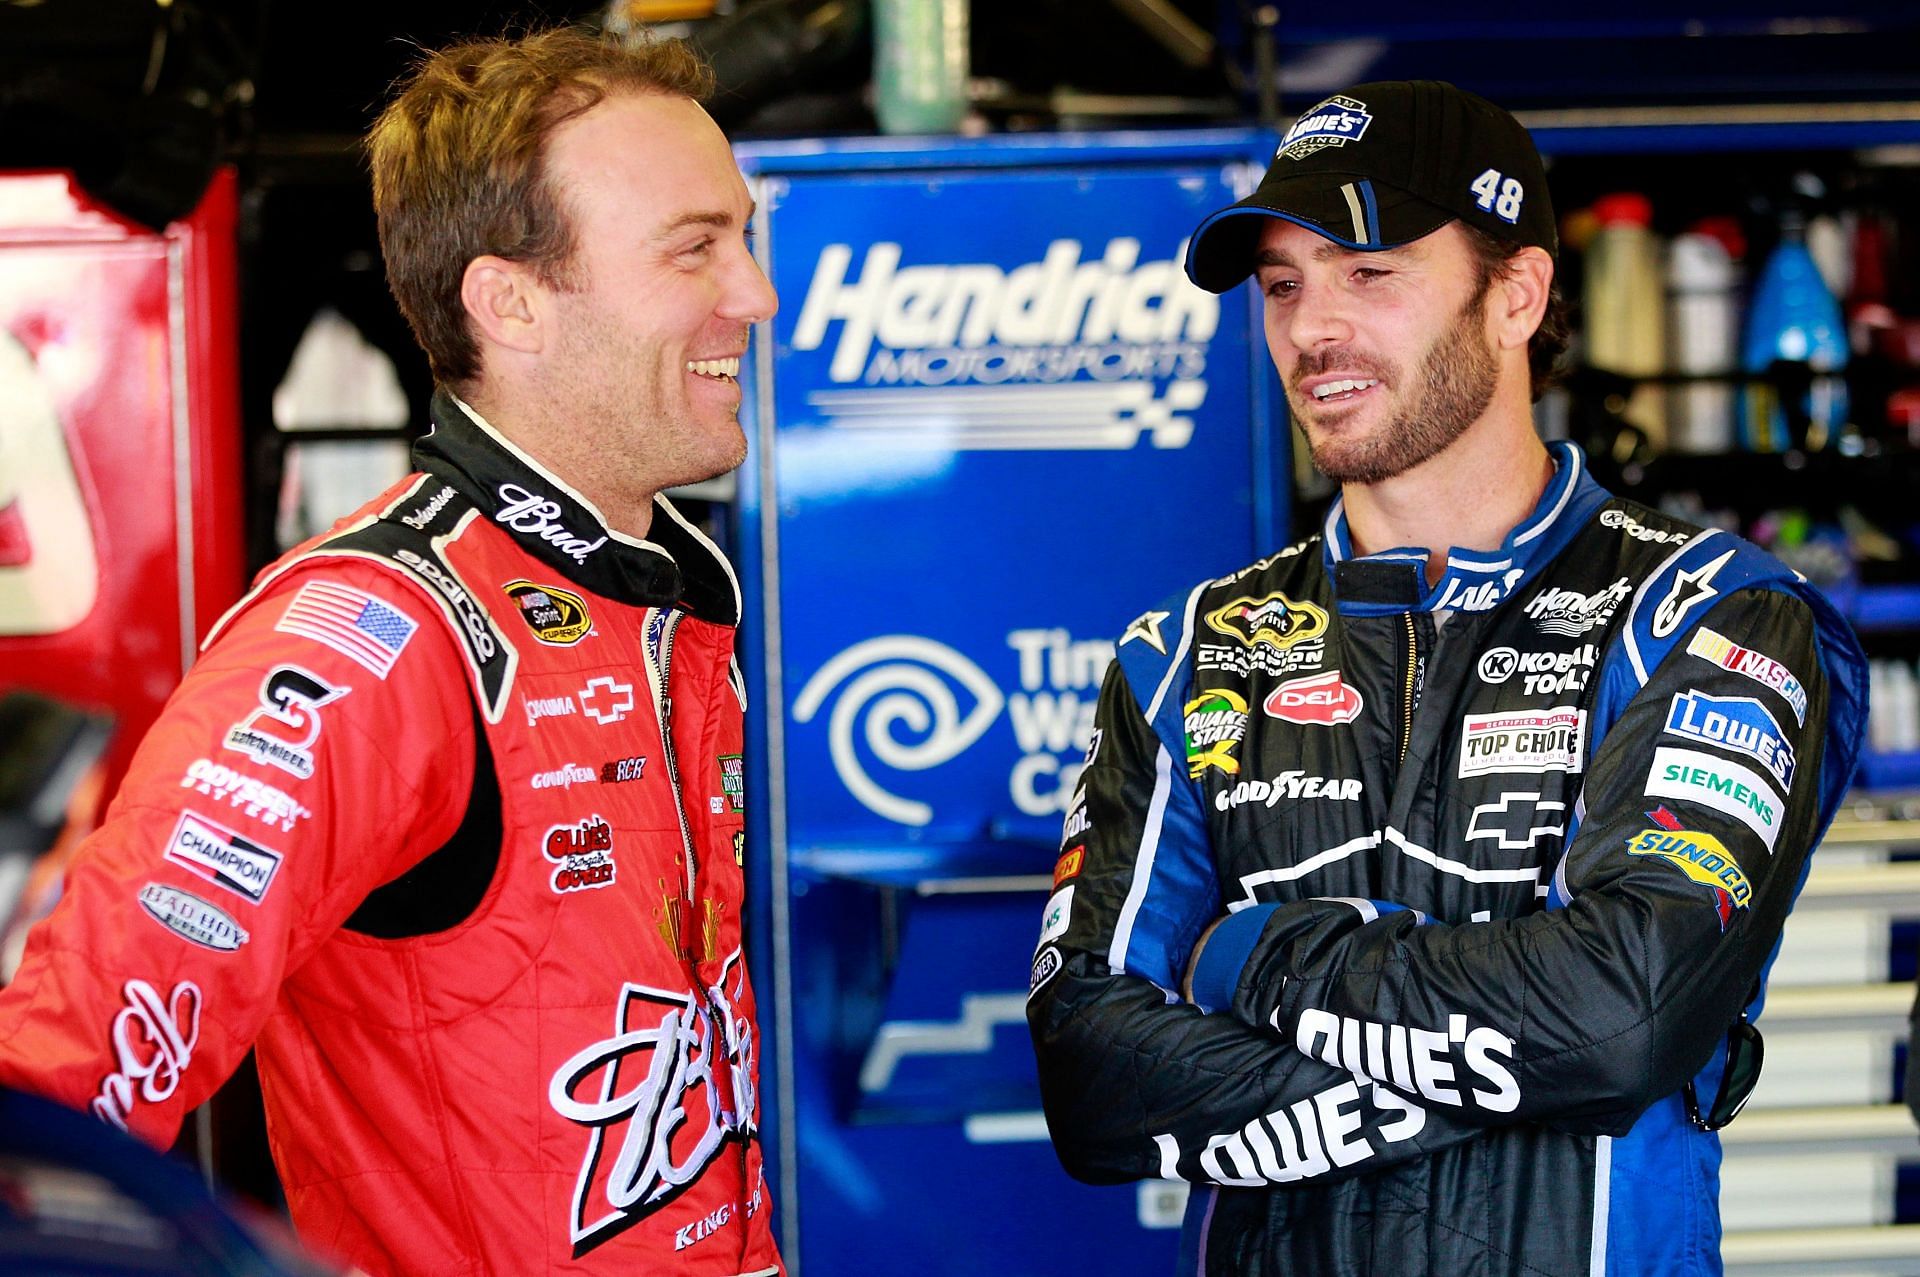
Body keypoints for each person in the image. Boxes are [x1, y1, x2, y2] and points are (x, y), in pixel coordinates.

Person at [1027, 80, 1868, 1275]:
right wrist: (1530, 1057)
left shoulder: (1707, 614)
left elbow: (1628, 1019)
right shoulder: (1188, 652)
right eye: (1283, 284)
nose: (1314, 328)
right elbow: (1095, 1081)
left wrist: (1250, 959)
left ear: (1515, 293)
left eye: (1369, 272)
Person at [0, 28, 783, 1277]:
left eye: (740, 237)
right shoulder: (374, 637)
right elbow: (59, 1075)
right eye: (697, 247)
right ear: (510, 301)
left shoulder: (673, 601)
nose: (754, 294)